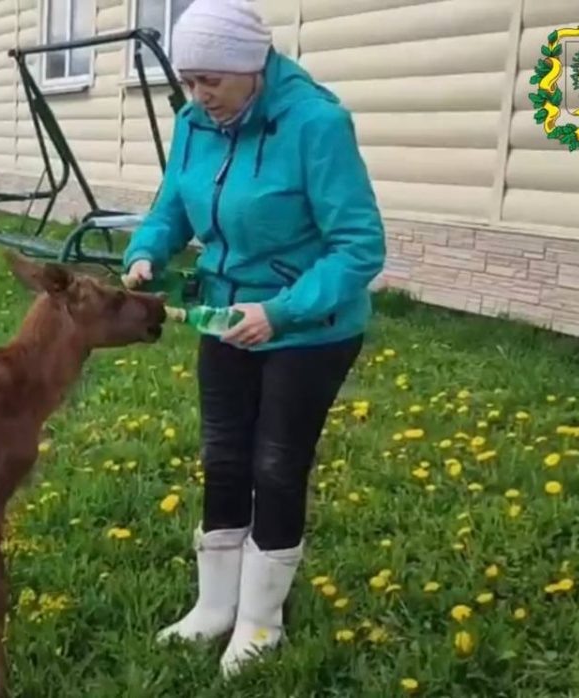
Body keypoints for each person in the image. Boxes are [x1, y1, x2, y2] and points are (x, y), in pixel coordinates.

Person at [121, 0, 386, 678]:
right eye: (188, 79)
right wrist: (149, 250)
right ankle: (214, 608)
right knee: (224, 457)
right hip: (225, 315)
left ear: (252, 67)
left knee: (275, 463)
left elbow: (360, 248)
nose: (197, 94)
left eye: (210, 79)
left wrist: (283, 310)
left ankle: (260, 622)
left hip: (310, 328)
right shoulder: (193, 124)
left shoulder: (317, 125)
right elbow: (173, 205)